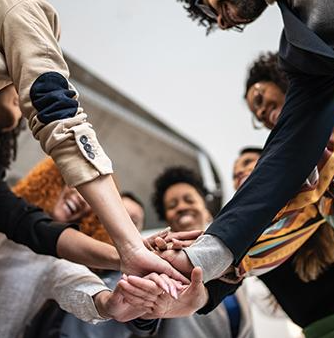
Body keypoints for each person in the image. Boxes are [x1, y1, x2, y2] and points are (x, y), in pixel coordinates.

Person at [0, 0, 185, 281]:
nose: (17, 78)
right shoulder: (20, 9)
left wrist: (124, 254)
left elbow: (26, 224)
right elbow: (55, 109)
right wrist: (130, 246)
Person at [165, 0, 334, 291]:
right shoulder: (306, 61)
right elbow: (286, 170)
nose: (219, 21)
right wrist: (210, 250)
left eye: (209, 7)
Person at [0, 158, 179, 338]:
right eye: (78, 185)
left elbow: (77, 282)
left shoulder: (55, 262)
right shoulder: (9, 211)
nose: (82, 199)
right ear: (56, 178)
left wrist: (105, 303)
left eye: (91, 202)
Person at [129, 166, 253, 338]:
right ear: (167, 219)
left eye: (189, 200)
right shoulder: (160, 261)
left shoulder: (232, 257)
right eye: (172, 205)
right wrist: (146, 314)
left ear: (207, 212)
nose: (181, 207)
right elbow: (140, 327)